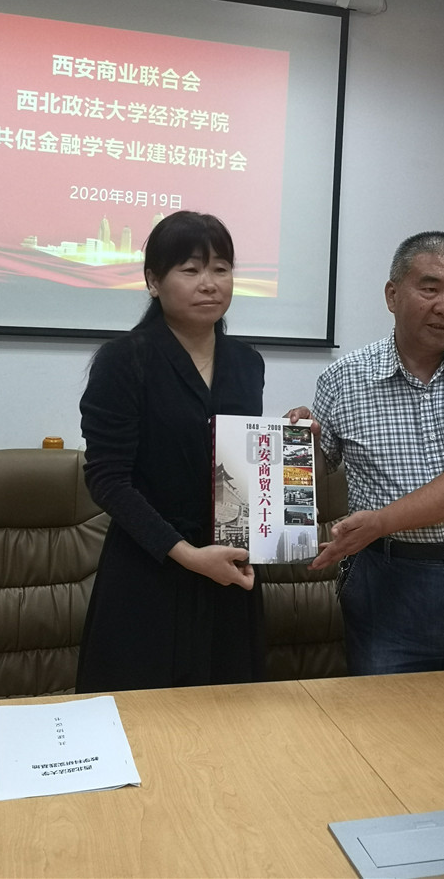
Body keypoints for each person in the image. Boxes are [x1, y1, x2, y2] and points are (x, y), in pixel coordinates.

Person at [295, 231, 444, 676]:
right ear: (392, 295)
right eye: (430, 288)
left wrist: (381, 521)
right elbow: (315, 481)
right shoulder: (343, 379)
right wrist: (300, 444)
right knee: (385, 715)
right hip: (386, 579)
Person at [76, 211, 265, 692]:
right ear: (153, 281)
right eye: (191, 269)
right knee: (143, 721)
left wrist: (288, 442)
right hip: (149, 569)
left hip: (228, 569)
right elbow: (107, 480)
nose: (209, 283)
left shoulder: (247, 363)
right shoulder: (124, 360)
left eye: (221, 269)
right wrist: (186, 554)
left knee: (231, 716)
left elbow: (239, 468)